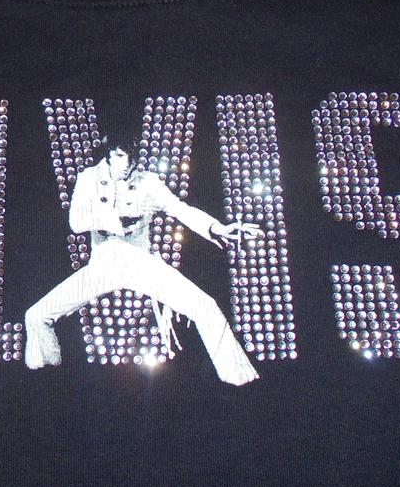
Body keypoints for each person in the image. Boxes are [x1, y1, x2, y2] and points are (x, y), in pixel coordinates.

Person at [24, 141, 262, 385]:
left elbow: (180, 209)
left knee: (206, 306)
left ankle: (240, 383)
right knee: (35, 316)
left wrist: (216, 227)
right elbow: (76, 222)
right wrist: (118, 218)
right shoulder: (89, 178)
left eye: (131, 156)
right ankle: (46, 381)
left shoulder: (148, 181)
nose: (126, 164)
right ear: (109, 153)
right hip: (103, 264)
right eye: (120, 155)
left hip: (139, 263)